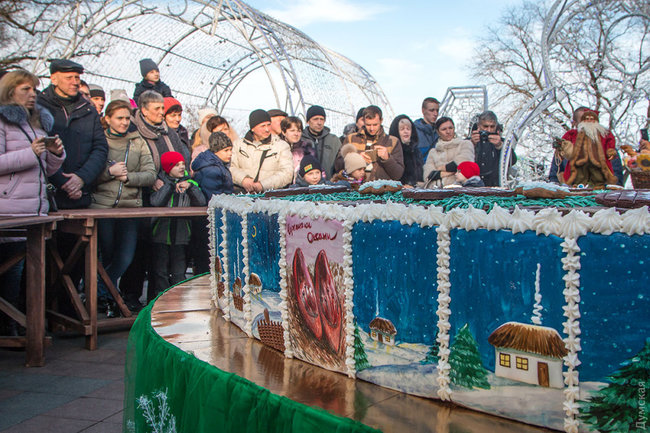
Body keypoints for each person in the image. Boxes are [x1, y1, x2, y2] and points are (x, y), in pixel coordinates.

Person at [0, 70, 65, 334]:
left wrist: (56, 154)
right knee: (11, 273)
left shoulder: (35, 124)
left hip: (34, 210)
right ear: (9, 90)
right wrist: (29, 153)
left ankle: (20, 325)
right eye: (25, 89)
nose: (32, 94)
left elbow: (46, 170)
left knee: (27, 273)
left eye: (34, 90)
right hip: (10, 212)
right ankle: (10, 326)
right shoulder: (3, 123)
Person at [91, 99, 156, 314]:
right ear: (107, 119)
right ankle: (108, 299)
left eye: (127, 118)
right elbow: (89, 174)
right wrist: (109, 173)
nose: (124, 122)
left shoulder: (138, 141)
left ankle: (101, 293)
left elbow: (150, 173)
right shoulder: (99, 140)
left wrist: (128, 177)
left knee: (125, 257)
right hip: (103, 208)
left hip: (130, 207)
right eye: (119, 118)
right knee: (106, 257)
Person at [37, 59, 108, 209]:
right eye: (69, 78)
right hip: (47, 194)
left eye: (77, 78)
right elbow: (39, 147)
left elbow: (100, 147)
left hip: (81, 193)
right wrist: (64, 183)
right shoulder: (39, 106)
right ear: (54, 79)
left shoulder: (88, 110)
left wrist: (82, 178)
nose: (75, 82)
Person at [149, 151, 205, 301]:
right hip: (161, 233)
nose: (181, 167)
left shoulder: (190, 182)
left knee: (179, 271)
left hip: (181, 235)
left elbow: (201, 201)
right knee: (160, 271)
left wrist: (190, 188)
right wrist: (169, 186)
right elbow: (156, 202)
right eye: (176, 165)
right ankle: (159, 301)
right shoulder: (159, 183)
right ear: (168, 168)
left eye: (182, 164)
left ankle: (178, 301)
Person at [131, 90, 189, 187]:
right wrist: (153, 181)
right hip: (144, 191)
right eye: (157, 109)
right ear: (145, 111)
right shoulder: (134, 133)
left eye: (162, 108)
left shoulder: (171, 133)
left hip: (172, 189)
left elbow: (183, 163)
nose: (162, 112)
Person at [230, 109, 293, 192]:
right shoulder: (238, 145)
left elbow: (287, 173)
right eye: (262, 126)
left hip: (270, 196)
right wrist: (243, 180)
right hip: (241, 194)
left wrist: (263, 185)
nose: (267, 129)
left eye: (268, 125)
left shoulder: (281, 146)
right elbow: (230, 167)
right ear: (252, 128)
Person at [338, 105, 404, 181]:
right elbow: (338, 166)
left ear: (381, 120)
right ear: (363, 121)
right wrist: (356, 159)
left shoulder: (393, 141)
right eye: (368, 125)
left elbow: (398, 174)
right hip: (355, 189)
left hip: (382, 190)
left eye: (375, 124)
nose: (372, 128)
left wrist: (387, 159)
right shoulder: (351, 139)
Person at [559, 109, 618, 187]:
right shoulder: (574, 133)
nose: (589, 121)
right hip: (579, 163)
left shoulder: (604, 134)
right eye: (587, 119)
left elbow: (610, 141)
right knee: (580, 177)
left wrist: (610, 150)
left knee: (598, 177)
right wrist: (562, 146)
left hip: (597, 163)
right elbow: (564, 141)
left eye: (592, 119)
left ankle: (598, 186)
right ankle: (578, 186)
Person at [423, 117, 474, 187]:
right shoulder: (433, 152)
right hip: (438, 191)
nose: (448, 132)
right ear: (438, 132)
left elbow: (465, 165)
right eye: (444, 129)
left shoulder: (465, 144)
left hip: (461, 190)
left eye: (450, 128)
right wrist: (452, 171)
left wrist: (441, 169)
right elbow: (428, 176)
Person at [470, 110, 515, 187]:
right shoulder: (469, 141)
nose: (489, 130)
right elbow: (460, 162)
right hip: (473, 185)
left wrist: (500, 146)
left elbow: (512, 161)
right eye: (485, 126)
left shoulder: (503, 142)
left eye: (492, 126)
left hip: (495, 185)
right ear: (478, 126)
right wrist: (471, 145)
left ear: (496, 126)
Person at [300, 105, 341, 179]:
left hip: (329, 184)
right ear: (308, 121)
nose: (319, 122)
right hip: (305, 185)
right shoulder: (300, 139)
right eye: (315, 119)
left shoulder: (334, 140)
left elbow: (340, 164)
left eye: (322, 119)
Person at [192, 131, 234, 201]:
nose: (230, 153)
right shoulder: (211, 170)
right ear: (215, 151)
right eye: (226, 150)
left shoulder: (217, 165)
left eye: (230, 150)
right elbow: (213, 197)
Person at [549, 107, 587, 183]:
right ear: (574, 123)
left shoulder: (606, 146)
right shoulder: (564, 148)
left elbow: (615, 179)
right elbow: (554, 177)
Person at [388, 114, 422, 186]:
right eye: (402, 129)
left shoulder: (416, 151)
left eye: (408, 129)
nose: (406, 131)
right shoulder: (391, 150)